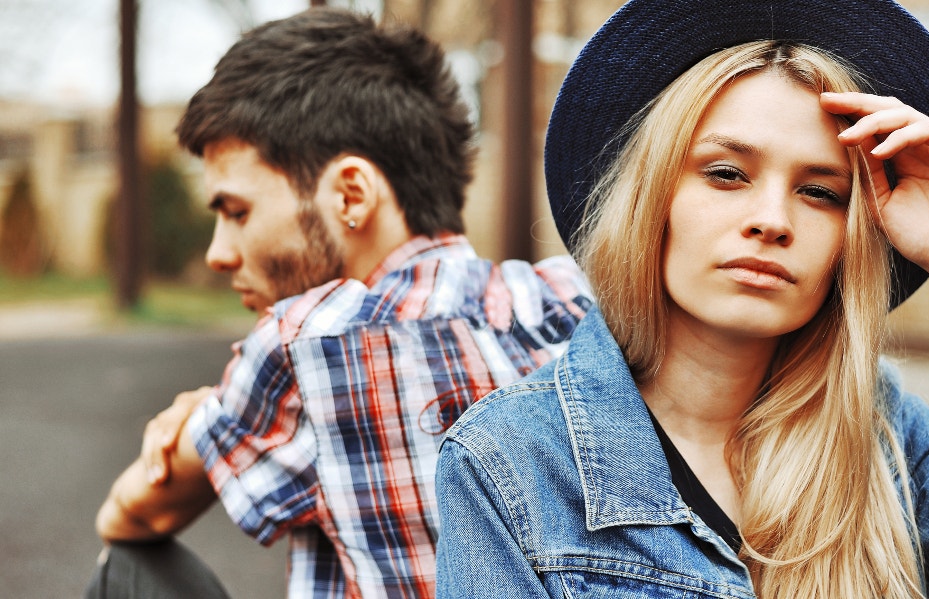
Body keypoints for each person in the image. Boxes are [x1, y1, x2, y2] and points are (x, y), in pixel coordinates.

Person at [433, 0, 929, 597]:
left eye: (821, 191)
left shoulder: (886, 439)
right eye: (727, 173)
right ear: (652, 199)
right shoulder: (510, 462)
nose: (771, 219)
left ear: (851, 238)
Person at [91, 7, 592, 598]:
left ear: (352, 194)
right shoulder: (576, 297)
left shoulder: (306, 343)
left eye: (236, 212)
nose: (218, 254)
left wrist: (206, 414)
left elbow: (132, 515)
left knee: (125, 567)